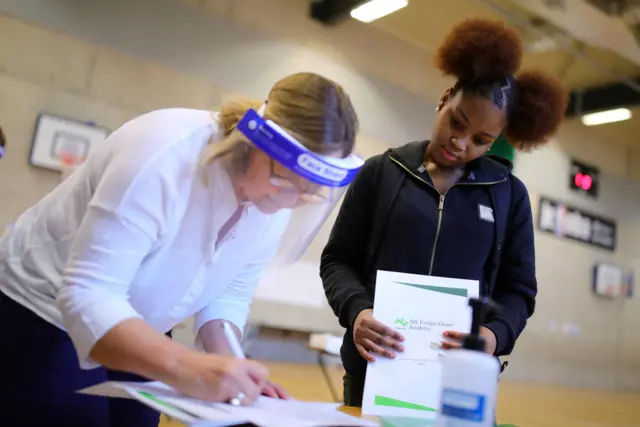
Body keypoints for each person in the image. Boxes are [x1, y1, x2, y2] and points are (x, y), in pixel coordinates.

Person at [0, 72, 363, 427]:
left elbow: (228, 293)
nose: (293, 199)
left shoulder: (275, 197)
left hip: (141, 323)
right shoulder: (162, 150)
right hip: (43, 310)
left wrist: (234, 369)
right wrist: (187, 366)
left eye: (308, 190)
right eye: (284, 177)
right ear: (253, 143)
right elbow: (88, 293)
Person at [320, 18, 568, 407]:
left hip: (461, 378)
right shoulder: (381, 172)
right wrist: (358, 312)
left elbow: (518, 290)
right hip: (376, 370)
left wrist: (493, 335)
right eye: (457, 121)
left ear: (496, 141)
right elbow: (337, 260)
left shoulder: (510, 196)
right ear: (445, 97)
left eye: (481, 140)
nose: (460, 142)